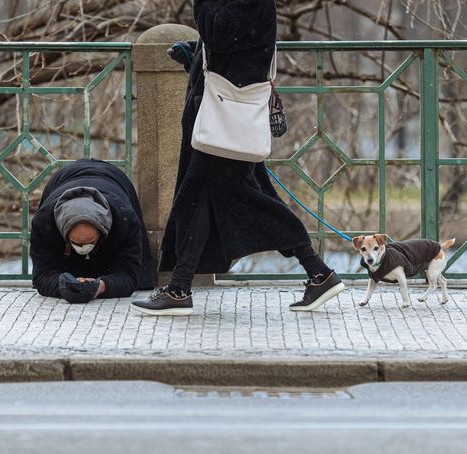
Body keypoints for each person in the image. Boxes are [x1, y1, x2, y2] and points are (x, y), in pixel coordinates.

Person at [131, 0, 344, 316]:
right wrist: (194, 52)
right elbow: (231, 44)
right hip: (226, 120)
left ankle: (317, 270)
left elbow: (220, 33)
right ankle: (180, 287)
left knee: (240, 199)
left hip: (227, 121)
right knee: (207, 199)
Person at [31, 158, 155, 303]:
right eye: (76, 242)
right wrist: (63, 286)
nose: (84, 248)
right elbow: (42, 274)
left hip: (115, 179)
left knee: (141, 278)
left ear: (102, 231)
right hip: (63, 179)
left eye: (90, 241)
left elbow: (129, 273)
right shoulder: (44, 222)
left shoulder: (125, 219)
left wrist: (102, 286)